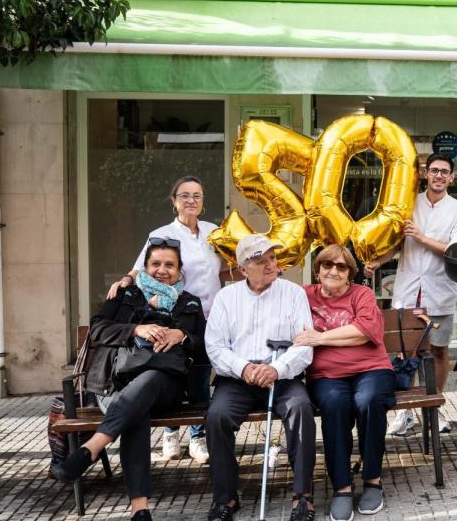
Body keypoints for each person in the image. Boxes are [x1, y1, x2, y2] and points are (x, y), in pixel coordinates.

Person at [52, 239, 205, 521]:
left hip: (165, 388)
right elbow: (98, 329)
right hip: (115, 384)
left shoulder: (190, 303)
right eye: (155, 264)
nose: (162, 270)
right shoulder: (124, 295)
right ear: (144, 268)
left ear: (180, 270)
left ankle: (92, 448)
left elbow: (206, 346)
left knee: (150, 381)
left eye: (169, 265)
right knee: (137, 409)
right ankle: (140, 510)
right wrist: (137, 329)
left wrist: (181, 336)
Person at [106, 175, 227, 463]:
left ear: (203, 201)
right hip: (172, 315)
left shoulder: (214, 232)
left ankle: (197, 437)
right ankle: (171, 433)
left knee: (199, 374)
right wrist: (123, 282)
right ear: (174, 202)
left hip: (209, 314)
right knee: (171, 372)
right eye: (184, 195)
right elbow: (140, 269)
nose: (191, 201)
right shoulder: (161, 233)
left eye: (197, 195)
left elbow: (221, 270)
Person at [204, 234, 317, 521]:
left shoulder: (293, 293)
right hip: (237, 378)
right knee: (216, 417)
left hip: (282, 375)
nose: (270, 265)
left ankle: (302, 497)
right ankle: (225, 499)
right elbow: (215, 346)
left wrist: (276, 369)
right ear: (243, 269)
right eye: (260, 260)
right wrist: (244, 368)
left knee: (301, 409)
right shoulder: (226, 297)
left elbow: (304, 345)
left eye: (272, 258)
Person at [364, 152, 457, 436]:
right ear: (426, 174)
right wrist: (377, 261)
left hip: (439, 290)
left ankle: (433, 410)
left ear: (452, 177)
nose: (438, 176)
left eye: (444, 172)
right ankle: (405, 414)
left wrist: (421, 237)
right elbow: (397, 243)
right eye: (434, 170)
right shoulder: (409, 204)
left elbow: (455, 249)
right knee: (403, 351)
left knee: (438, 350)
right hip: (408, 289)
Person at [293, 244, 395, 521]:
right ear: (317, 270)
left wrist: (319, 337)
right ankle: (342, 487)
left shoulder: (361, 294)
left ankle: (373, 479)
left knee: (369, 401)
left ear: (350, 273)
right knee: (336, 404)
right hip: (327, 376)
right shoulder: (302, 296)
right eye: (328, 265)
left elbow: (366, 331)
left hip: (371, 369)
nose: (334, 271)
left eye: (342, 266)